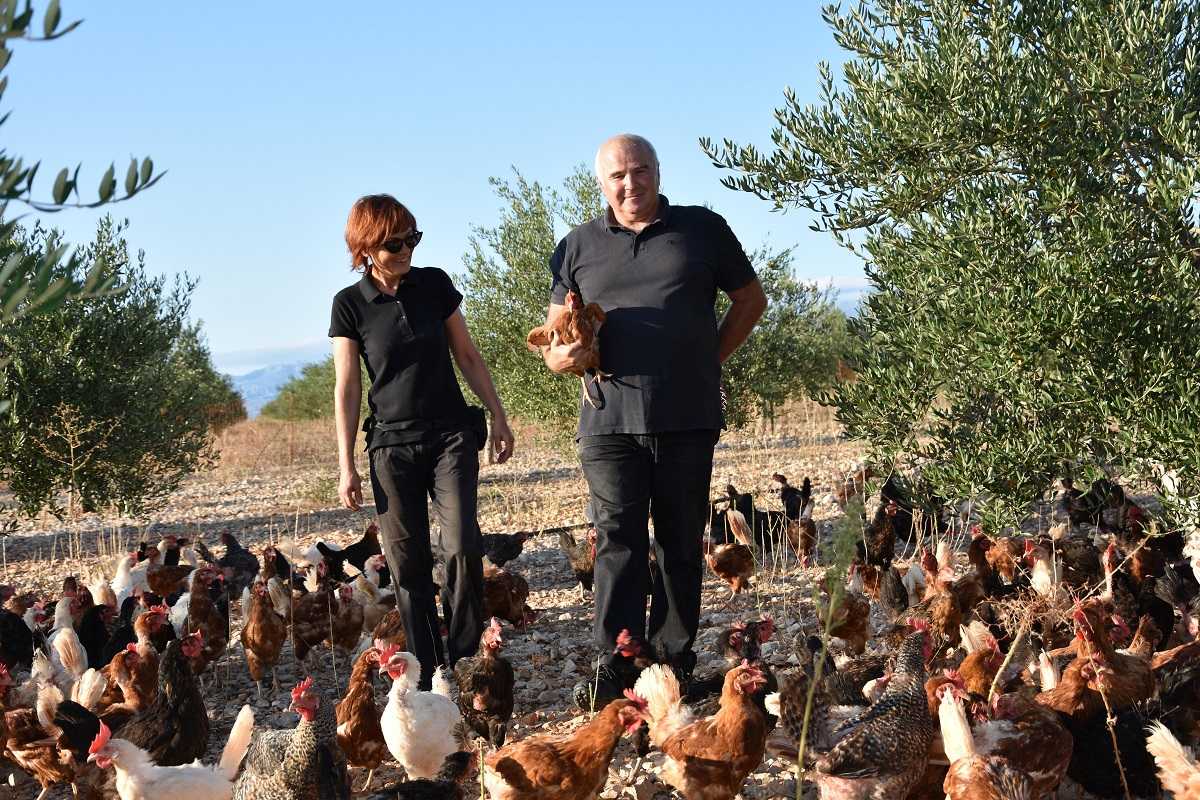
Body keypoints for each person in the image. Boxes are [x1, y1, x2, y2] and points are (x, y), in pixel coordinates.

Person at [537, 134, 767, 707]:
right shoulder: (576, 246)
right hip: (607, 420)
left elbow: (751, 301)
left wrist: (708, 359)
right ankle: (614, 662)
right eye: (617, 176)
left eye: (640, 171)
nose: (630, 184)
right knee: (616, 542)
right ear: (601, 183)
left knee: (681, 543)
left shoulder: (702, 229)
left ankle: (673, 660)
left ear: (658, 172)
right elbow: (554, 338)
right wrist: (561, 358)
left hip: (686, 415)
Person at [330, 194, 515, 689]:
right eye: (395, 242)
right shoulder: (349, 305)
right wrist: (345, 463)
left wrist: (498, 415)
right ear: (366, 248)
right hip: (391, 447)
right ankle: (427, 668)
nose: (407, 248)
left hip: (451, 436)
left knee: (460, 547)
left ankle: (463, 661)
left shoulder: (434, 285)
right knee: (407, 564)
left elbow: (468, 355)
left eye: (413, 237)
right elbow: (347, 387)